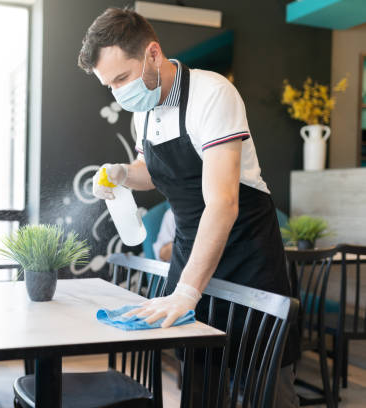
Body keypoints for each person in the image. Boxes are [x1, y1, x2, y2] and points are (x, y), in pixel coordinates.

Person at [78, 7, 299, 407]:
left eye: (122, 78)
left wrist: (186, 291)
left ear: (153, 54)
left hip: (247, 257)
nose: (119, 93)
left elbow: (223, 202)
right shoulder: (142, 115)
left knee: (266, 387)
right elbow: (154, 171)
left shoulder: (212, 94)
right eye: (109, 86)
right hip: (190, 253)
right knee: (198, 384)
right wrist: (123, 173)